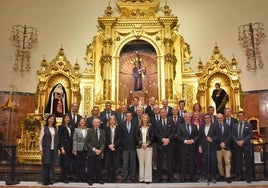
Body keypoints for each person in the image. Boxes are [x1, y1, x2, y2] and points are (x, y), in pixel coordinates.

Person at [154, 108, 175, 182]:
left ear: (166, 113)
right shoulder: (157, 122)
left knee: (170, 161)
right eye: (161, 112)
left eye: (164, 112)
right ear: (160, 114)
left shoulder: (171, 121)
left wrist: (168, 139)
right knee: (160, 161)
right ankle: (159, 177)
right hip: (160, 144)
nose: (163, 114)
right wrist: (162, 139)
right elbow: (156, 133)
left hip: (169, 144)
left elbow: (173, 132)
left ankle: (170, 177)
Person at [177, 112, 199, 182]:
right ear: (184, 118)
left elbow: (197, 136)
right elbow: (178, 136)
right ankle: (183, 177)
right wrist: (185, 141)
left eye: (189, 117)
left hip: (192, 146)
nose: (187, 118)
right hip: (183, 146)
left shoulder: (194, 126)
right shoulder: (180, 126)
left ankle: (192, 177)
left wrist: (192, 140)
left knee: (192, 162)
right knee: (183, 161)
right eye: (186, 117)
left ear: (190, 118)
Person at [232, 111, 253, 183]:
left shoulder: (249, 125)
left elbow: (250, 135)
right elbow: (233, 135)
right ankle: (240, 175)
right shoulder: (234, 125)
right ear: (237, 117)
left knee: (247, 161)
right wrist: (237, 141)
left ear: (244, 116)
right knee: (238, 161)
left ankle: (248, 176)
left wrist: (243, 141)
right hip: (237, 145)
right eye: (239, 116)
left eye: (241, 116)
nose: (240, 117)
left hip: (246, 145)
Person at [84, 118, 106, 185]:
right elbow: (86, 141)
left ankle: (98, 179)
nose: (96, 124)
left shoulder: (102, 131)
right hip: (91, 152)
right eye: (95, 122)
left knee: (98, 167)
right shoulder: (89, 131)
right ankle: (90, 179)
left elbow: (104, 142)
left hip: (99, 152)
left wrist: (100, 150)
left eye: (98, 122)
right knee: (91, 167)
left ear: (100, 124)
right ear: (92, 123)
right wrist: (93, 149)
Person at [39, 114, 59, 185]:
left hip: (54, 149)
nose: (51, 120)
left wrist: (58, 149)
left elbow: (57, 140)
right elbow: (40, 140)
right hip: (46, 149)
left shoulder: (55, 128)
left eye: (53, 119)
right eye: (50, 119)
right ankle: (45, 180)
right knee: (46, 165)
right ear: (47, 120)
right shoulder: (44, 128)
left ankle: (51, 179)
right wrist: (41, 150)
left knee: (52, 165)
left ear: (54, 121)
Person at [198, 114, 218, 184]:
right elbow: (200, 137)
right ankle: (204, 176)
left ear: (210, 118)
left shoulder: (215, 126)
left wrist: (212, 139)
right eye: (205, 118)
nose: (207, 119)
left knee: (212, 161)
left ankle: (213, 177)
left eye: (208, 118)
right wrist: (200, 146)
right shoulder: (202, 126)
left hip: (212, 146)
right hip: (204, 147)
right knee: (204, 161)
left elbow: (218, 135)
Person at [120, 111, 138, 183]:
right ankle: (124, 176)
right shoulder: (122, 124)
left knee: (133, 163)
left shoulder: (135, 124)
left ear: (131, 117)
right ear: (125, 117)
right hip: (125, 147)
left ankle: (132, 176)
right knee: (125, 162)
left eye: (130, 116)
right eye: (127, 116)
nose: (128, 117)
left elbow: (136, 135)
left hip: (133, 146)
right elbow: (120, 136)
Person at [136, 113, 154, 184]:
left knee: (148, 163)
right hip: (140, 147)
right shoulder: (138, 126)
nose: (145, 119)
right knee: (141, 163)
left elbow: (152, 136)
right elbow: (136, 136)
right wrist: (141, 143)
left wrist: (147, 143)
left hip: (148, 147)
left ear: (148, 119)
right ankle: (142, 178)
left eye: (146, 118)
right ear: (142, 119)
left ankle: (147, 179)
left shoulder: (151, 126)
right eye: (144, 118)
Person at [104, 115, 121, 183]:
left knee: (115, 164)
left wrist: (114, 145)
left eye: (113, 120)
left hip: (116, 148)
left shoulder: (118, 128)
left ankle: (113, 176)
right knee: (108, 164)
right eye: (111, 120)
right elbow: (105, 138)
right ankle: (109, 176)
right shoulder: (106, 128)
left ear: (115, 121)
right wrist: (109, 145)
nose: (112, 121)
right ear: (109, 121)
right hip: (108, 149)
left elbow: (119, 138)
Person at [215, 113, 232, 183]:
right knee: (219, 162)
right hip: (218, 147)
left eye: (221, 118)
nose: (220, 119)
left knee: (227, 161)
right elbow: (214, 136)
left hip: (226, 147)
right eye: (218, 118)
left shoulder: (227, 126)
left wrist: (224, 143)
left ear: (223, 118)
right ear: (216, 119)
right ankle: (222, 175)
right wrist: (220, 143)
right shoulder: (214, 127)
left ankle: (228, 176)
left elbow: (230, 136)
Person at [58, 114, 73, 183]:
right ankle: (63, 177)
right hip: (64, 148)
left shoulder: (70, 127)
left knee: (68, 162)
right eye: (66, 118)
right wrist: (61, 148)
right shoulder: (61, 127)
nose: (67, 119)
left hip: (69, 148)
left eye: (68, 118)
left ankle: (66, 176)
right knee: (64, 163)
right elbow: (60, 138)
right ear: (63, 119)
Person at [72, 118, 88, 182]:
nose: (82, 122)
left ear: (85, 122)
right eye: (80, 121)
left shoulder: (88, 130)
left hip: (85, 148)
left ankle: (83, 176)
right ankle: (77, 177)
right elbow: (74, 140)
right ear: (79, 122)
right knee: (78, 163)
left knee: (83, 163)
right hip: (78, 148)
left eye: (83, 121)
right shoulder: (76, 130)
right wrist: (74, 149)